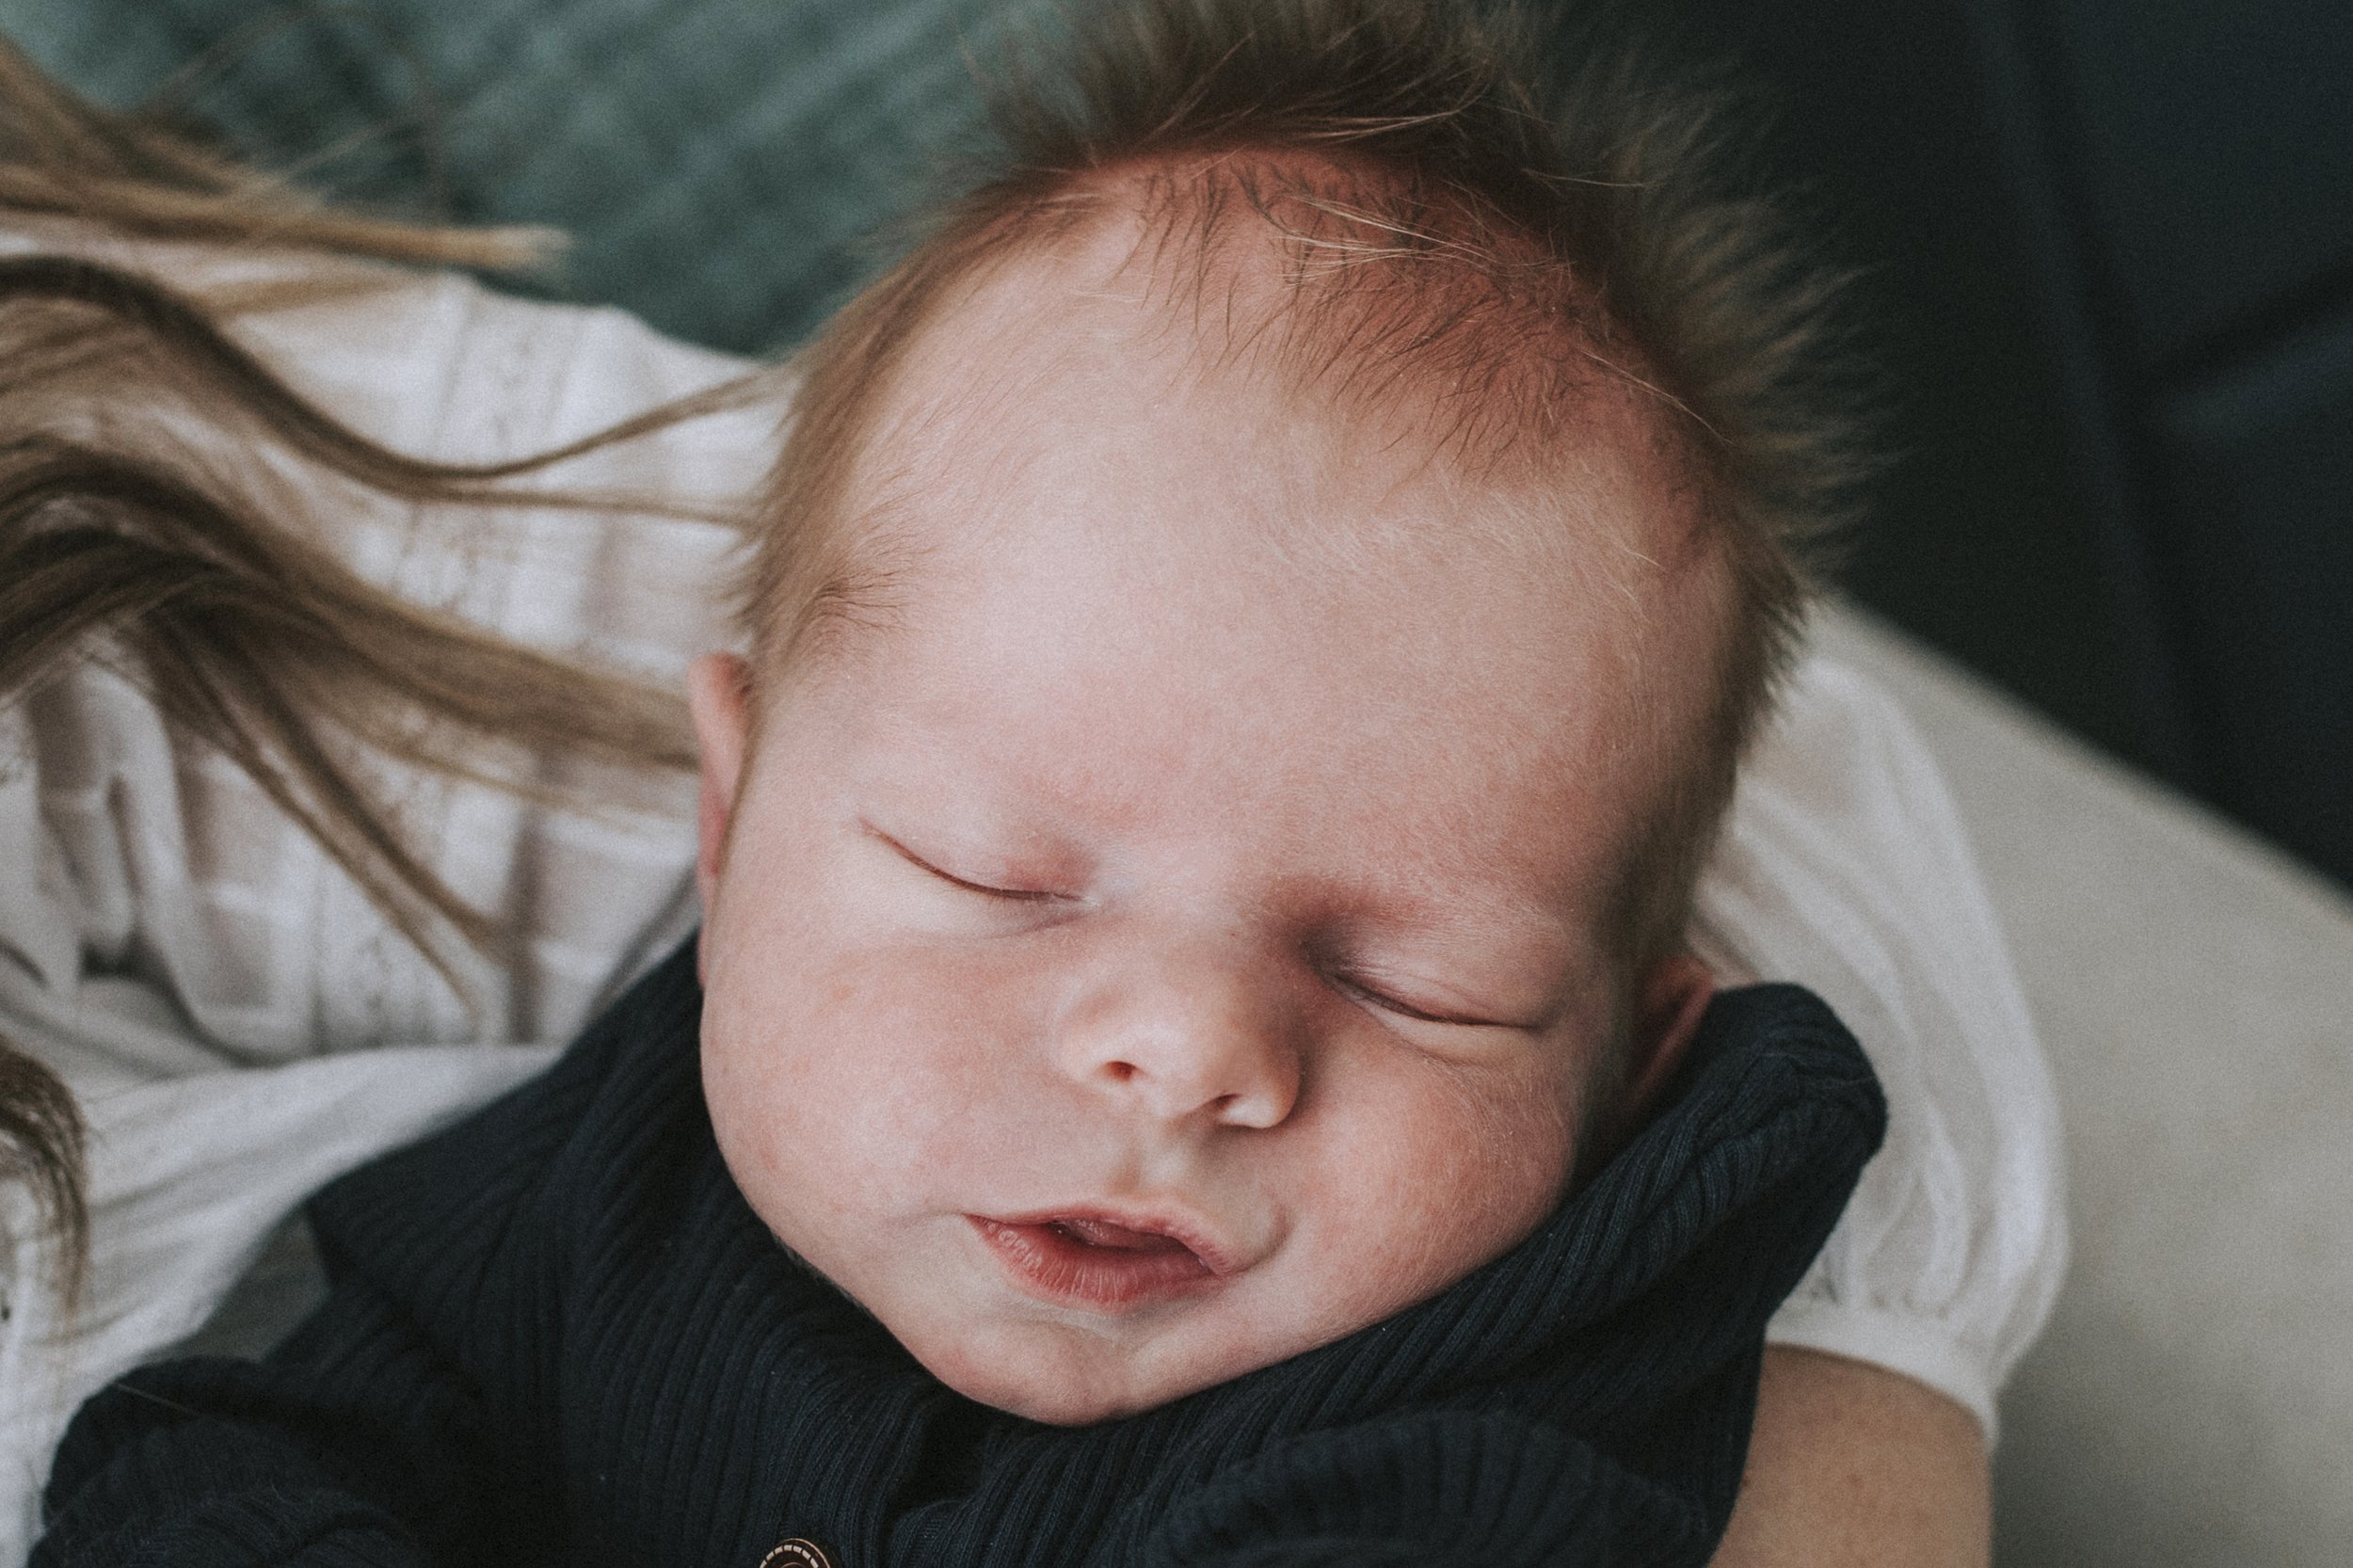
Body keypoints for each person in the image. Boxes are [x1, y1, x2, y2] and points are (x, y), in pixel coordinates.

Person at [0, 1, 2063, 1563]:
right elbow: (241, 1448)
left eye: (1412, 980)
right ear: (730, 827)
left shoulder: (1460, 1434)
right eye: (997, 873)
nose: (1184, 1048)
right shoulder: (615, 1168)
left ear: (1629, 1072)